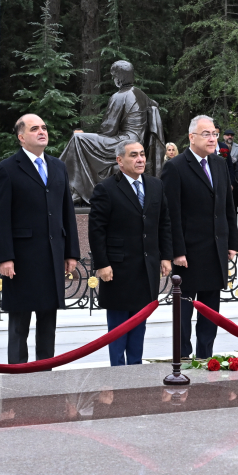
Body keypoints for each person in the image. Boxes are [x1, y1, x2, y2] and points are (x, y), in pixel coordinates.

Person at [0, 114, 80, 364]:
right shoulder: (7, 169)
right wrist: (5, 257)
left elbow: (67, 212)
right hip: (22, 259)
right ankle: (18, 378)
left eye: (44, 127)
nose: (42, 131)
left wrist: (71, 252)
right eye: (34, 129)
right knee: (19, 324)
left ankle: (44, 375)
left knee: (48, 321)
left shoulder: (58, 166)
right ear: (21, 137)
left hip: (52, 256)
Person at [161, 115, 238, 358]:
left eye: (214, 133)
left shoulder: (219, 164)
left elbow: (228, 206)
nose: (213, 138)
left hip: (215, 249)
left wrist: (232, 243)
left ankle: (206, 356)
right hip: (189, 254)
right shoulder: (175, 167)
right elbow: (170, 213)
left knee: (210, 310)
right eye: (206, 134)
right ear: (191, 137)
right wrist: (177, 251)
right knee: (184, 310)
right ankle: (182, 358)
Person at [89, 141, 173, 366]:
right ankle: (117, 373)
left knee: (139, 324)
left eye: (142, 155)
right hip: (118, 269)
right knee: (118, 327)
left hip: (146, 268)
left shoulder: (156, 185)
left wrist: (166, 256)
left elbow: (164, 223)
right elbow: (96, 230)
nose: (140, 159)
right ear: (120, 161)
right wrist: (102, 263)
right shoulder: (106, 189)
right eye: (133, 155)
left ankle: (136, 371)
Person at [60, 60, 165, 204]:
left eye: (114, 75)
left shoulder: (120, 96)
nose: (113, 79)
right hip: (136, 140)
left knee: (79, 139)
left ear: (120, 77)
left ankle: (71, 187)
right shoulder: (140, 94)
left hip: (123, 141)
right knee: (81, 139)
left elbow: (108, 129)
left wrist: (95, 134)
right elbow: (155, 105)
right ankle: (75, 188)